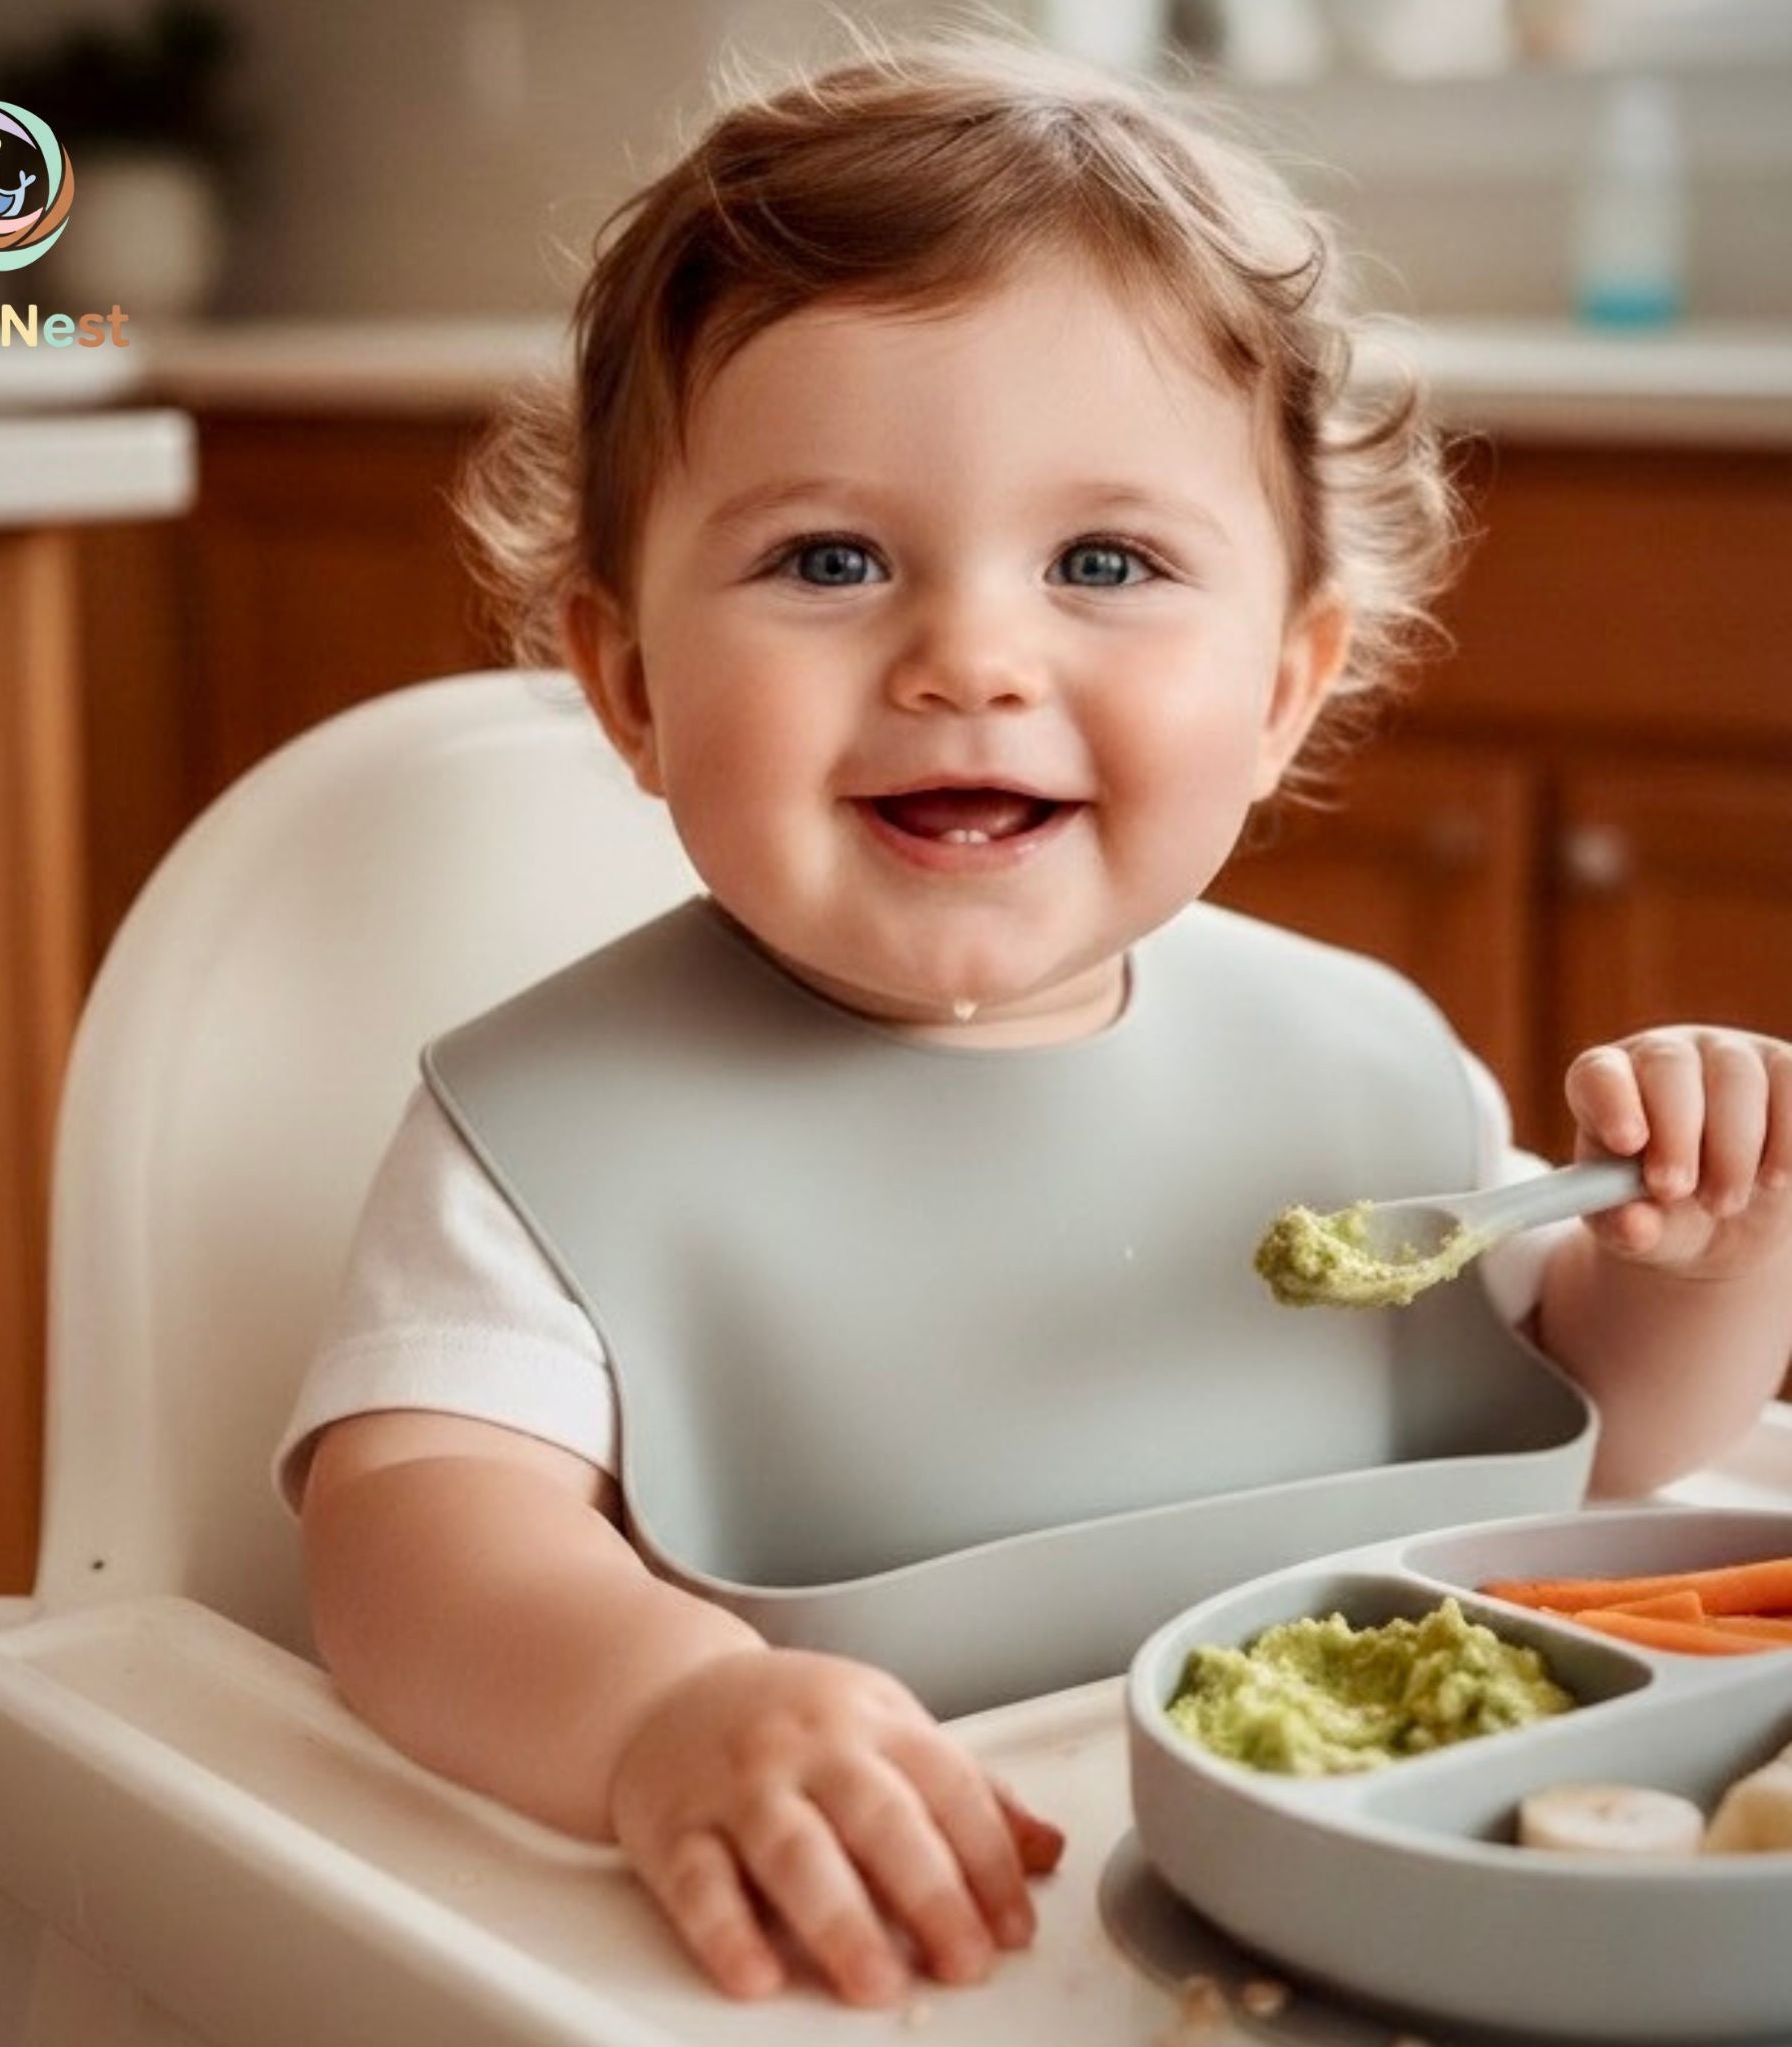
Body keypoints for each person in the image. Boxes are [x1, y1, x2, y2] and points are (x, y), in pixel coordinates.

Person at [274, 27, 1792, 2011]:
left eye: (1103, 560)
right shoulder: (545, 1139)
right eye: (829, 558)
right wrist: (664, 1717)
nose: (970, 656)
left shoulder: (1364, 1063)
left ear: (1281, 685)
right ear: (628, 681)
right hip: (864, 1947)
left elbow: (1591, 1470)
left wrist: (1705, 1253)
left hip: (1366, 1915)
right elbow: (410, 1544)